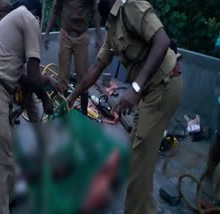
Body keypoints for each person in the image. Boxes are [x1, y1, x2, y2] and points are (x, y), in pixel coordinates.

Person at [67, 0, 183, 213]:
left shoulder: (132, 6)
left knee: (138, 169)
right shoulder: (112, 24)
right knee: (133, 159)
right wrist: (72, 96)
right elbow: (96, 67)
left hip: (164, 87)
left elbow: (162, 40)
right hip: (149, 92)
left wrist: (136, 88)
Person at [0, 1, 61, 213]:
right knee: (2, 162)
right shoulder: (29, 20)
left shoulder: (15, 20)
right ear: (37, 15)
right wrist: (47, 100)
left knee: (7, 151)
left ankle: (8, 199)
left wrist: (46, 79)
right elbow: (31, 77)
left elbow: (24, 75)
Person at [44, 0, 103, 114]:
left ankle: (84, 113)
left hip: (81, 37)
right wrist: (47, 33)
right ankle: (64, 111)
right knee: (63, 76)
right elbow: (55, 10)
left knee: (83, 78)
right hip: (65, 35)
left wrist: (99, 36)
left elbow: (95, 12)